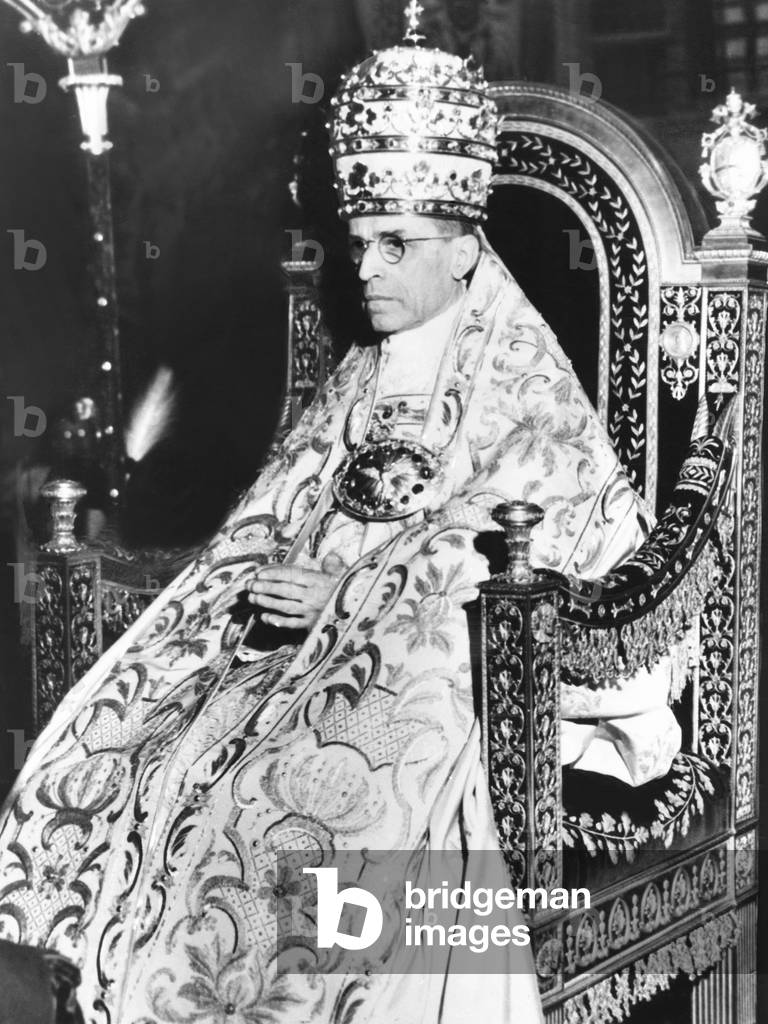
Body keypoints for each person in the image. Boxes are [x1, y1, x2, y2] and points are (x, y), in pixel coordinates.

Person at [0, 17, 661, 1024]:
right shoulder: (358, 372)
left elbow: (538, 552)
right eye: (360, 246)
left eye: (397, 245)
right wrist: (266, 585)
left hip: (432, 688)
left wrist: (353, 598)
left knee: (277, 829)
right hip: (280, 669)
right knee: (134, 766)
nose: (369, 270)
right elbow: (274, 513)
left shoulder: (528, 393)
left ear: (466, 248)